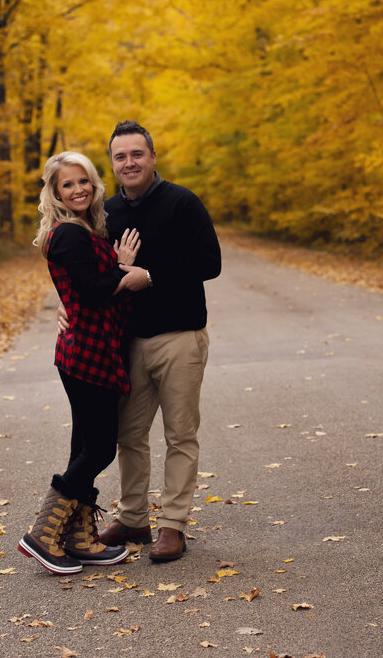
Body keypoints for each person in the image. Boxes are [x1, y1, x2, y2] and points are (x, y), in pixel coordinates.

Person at [18, 151, 150, 575]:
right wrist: (124, 268)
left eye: (83, 181)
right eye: (68, 185)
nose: (78, 189)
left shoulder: (82, 230)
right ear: (55, 193)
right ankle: (43, 532)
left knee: (85, 444)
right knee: (99, 447)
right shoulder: (69, 234)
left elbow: (82, 288)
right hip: (86, 352)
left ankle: (77, 538)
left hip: (92, 348)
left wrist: (112, 265)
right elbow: (93, 291)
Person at [95, 120, 222, 562]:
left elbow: (210, 263)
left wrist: (149, 277)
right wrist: (65, 304)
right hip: (127, 342)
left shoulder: (183, 203)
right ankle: (133, 519)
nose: (129, 162)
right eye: (120, 156)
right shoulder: (105, 212)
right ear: (112, 164)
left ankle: (172, 525)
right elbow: (93, 274)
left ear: (152, 157)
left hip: (180, 336)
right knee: (129, 435)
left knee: (180, 435)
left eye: (137, 154)